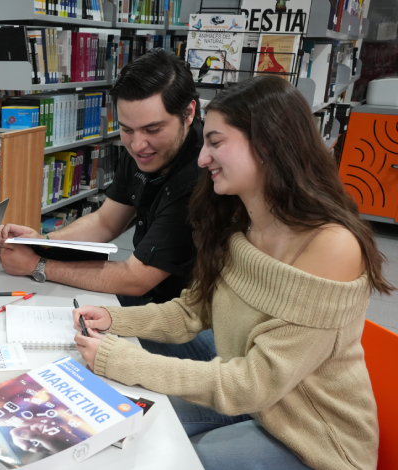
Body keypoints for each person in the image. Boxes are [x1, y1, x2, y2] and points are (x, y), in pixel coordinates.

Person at [73, 75, 392, 470]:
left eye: (216, 142)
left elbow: (253, 382)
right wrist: (113, 319)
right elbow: (192, 312)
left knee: (169, 457)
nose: (203, 158)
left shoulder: (332, 246)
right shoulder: (240, 219)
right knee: (131, 419)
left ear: (269, 145)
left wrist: (124, 360)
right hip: (258, 405)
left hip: (315, 440)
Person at [0, 48, 215, 361]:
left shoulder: (198, 177)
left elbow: (135, 278)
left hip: (193, 324)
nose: (138, 145)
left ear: (189, 113)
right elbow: (106, 222)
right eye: (127, 129)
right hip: (153, 303)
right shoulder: (144, 151)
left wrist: (37, 265)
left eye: (153, 129)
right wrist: (38, 241)